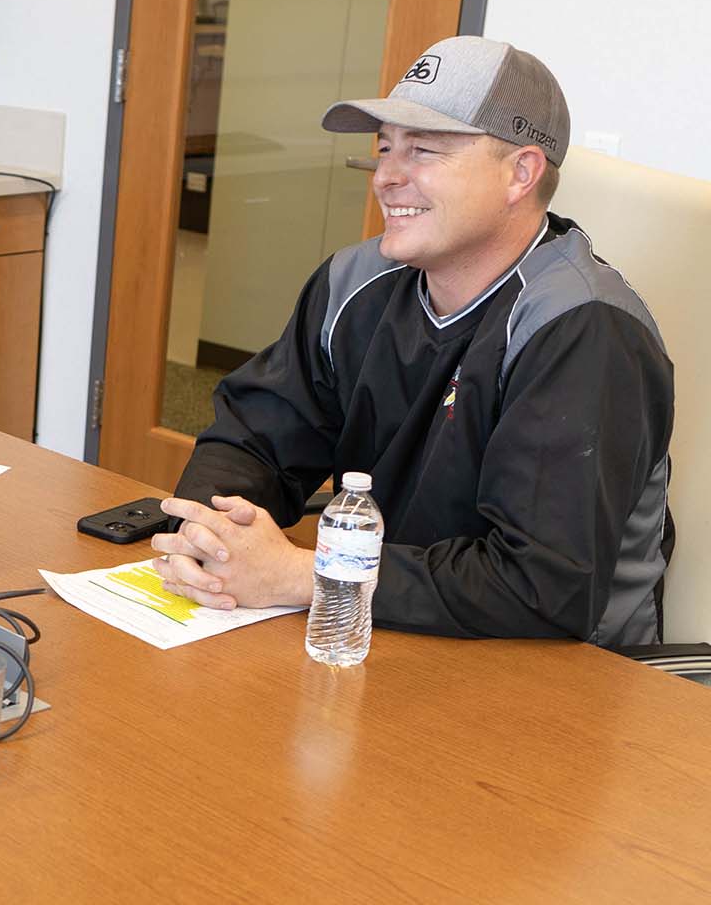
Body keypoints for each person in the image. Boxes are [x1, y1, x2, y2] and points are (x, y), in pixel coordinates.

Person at [154, 35, 673, 648]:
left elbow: (543, 588)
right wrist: (209, 535)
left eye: (423, 150)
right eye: (383, 148)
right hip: (387, 623)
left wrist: (301, 573)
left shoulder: (583, 328)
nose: (387, 178)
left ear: (521, 173)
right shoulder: (355, 281)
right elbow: (256, 436)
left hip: (557, 677)